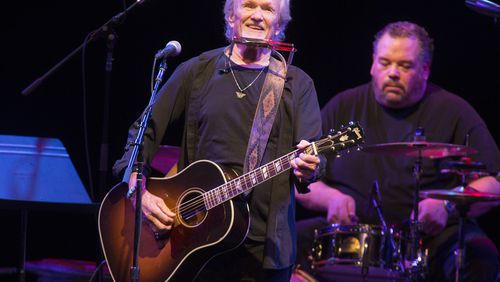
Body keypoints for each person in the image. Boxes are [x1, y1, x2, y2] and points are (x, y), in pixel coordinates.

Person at [112, 0, 323, 281]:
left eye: (268, 9)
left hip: (262, 253)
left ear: (280, 23)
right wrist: (138, 190)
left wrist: (310, 166)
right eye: (248, 5)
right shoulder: (197, 71)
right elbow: (145, 131)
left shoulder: (297, 84)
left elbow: (314, 159)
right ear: (231, 15)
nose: (257, 16)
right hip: (190, 243)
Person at [295, 21, 500, 281]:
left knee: (481, 255)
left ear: (425, 70)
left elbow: (495, 182)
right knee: (279, 241)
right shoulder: (343, 106)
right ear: (372, 63)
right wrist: (330, 199)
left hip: (433, 239)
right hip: (350, 235)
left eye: (405, 66)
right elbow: (301, 177)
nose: (393, 72)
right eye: (384, 63)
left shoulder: (454, 111)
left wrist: (447, 205)